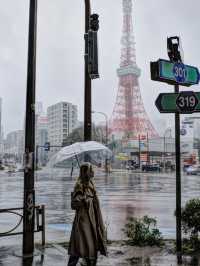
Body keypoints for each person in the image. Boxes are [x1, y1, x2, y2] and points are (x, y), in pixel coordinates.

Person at [67, 162, 107, 266]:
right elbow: (74, 204)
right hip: (83, 222)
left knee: (91, 246)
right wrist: (84, 199)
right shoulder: (79, 186)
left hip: (92, 219)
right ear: (85, 172)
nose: (93, 172)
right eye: (91, 170)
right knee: (79, 247)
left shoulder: (91, 184)